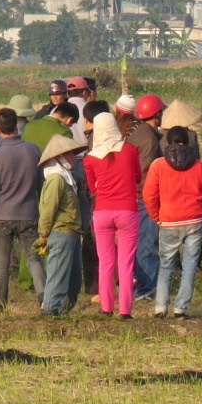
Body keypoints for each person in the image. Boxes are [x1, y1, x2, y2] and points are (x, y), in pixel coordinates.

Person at [0, 107, 46, 313]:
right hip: (29, 214)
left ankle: (0, 304)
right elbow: (40, 185)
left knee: (2, 263)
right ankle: (44, 299)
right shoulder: (33, 150)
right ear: (17, 126)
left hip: (3, 216)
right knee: (34, 259)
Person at [143, 124, 202, 317]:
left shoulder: (158, 165)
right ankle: (181, 309)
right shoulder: (199, 165)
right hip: (194, 219)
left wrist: (157, 216)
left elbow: (149, 194)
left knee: (166, 265)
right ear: (188, 140)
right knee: (190, 265)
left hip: (169, 221)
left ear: (167, 141)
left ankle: (160, 308)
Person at [84, 112, 142, 318]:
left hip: (102, 212)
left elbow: (92, 187)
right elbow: (137, 177)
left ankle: (107, 307)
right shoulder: (130, 150)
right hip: (127, 210)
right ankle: (125, 310)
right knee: (126, 263)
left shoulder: (90, 158)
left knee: (106, 262)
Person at [36, 134, 83, 316]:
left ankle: (60, 313)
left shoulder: (65, 178)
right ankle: (50, 314)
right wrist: (44, 234)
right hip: (61, 233)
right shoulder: (56, 179)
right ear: (59, 157)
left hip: (71, 233)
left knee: (73, 281)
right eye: (70, 154)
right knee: (58, 279)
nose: (73, 158)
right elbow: (48, 210)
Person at [127, 94, 166, 296]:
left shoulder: (139, 134)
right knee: (147, 244)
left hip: (135, 197)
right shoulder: (149, 140)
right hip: (144, 199)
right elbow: (145, 172)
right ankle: (146, 289)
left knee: (141, 243)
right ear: (156, 114)